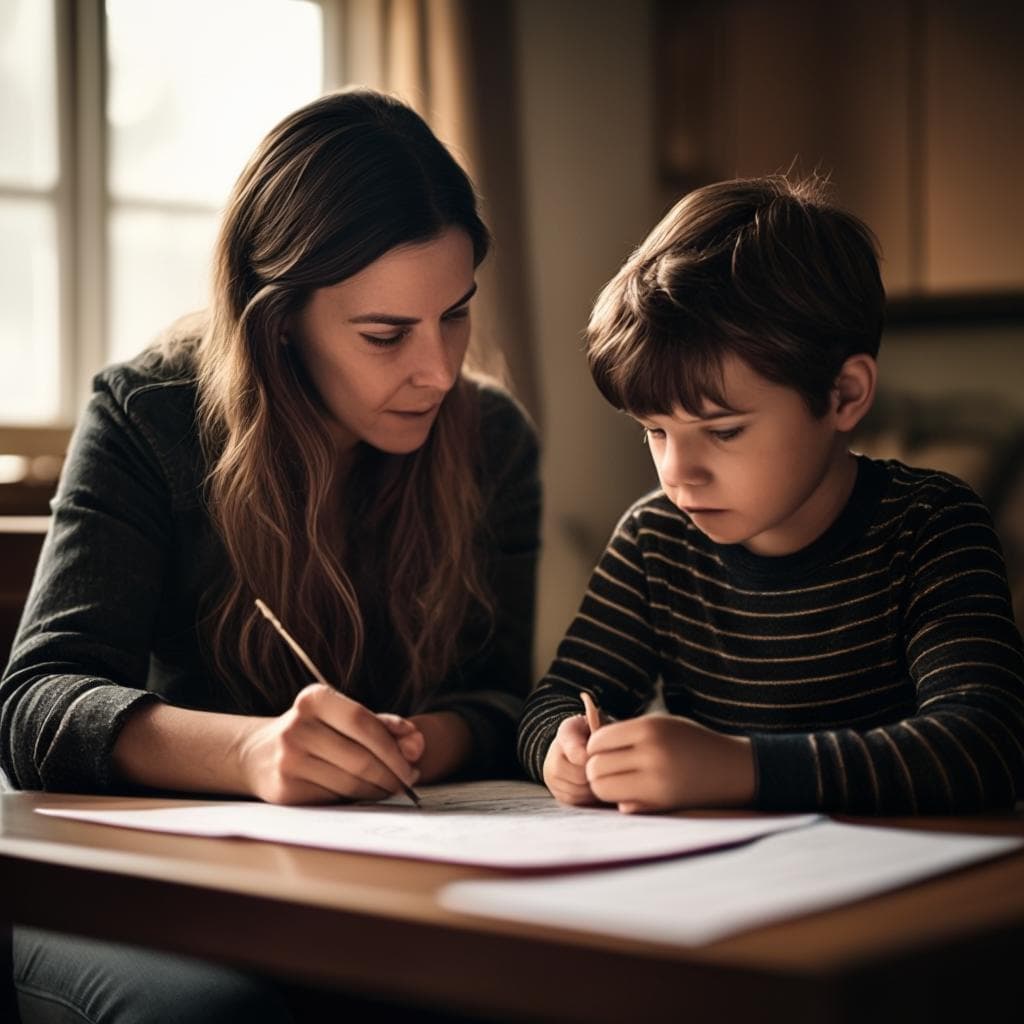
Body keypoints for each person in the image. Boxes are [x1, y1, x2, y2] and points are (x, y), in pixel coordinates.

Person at [1, 88, 539, 1022]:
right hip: (146, 880)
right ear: (279, 317)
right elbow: (36, 704)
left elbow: (501, 694)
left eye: (454, 315)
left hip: (372, 875)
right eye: (386, 334)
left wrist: (418, 743)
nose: (440, 371)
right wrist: (253, 751)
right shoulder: (151, 416)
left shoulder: (492, 438)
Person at [518, 174, 1024, 816]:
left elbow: (985, 746)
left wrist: (743, 768)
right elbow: (555, 699)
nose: (679, 473)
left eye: (723, 431)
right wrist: (562, 749)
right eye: (655, 430)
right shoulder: (655, 539)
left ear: (844, 396)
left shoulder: (930, 526)